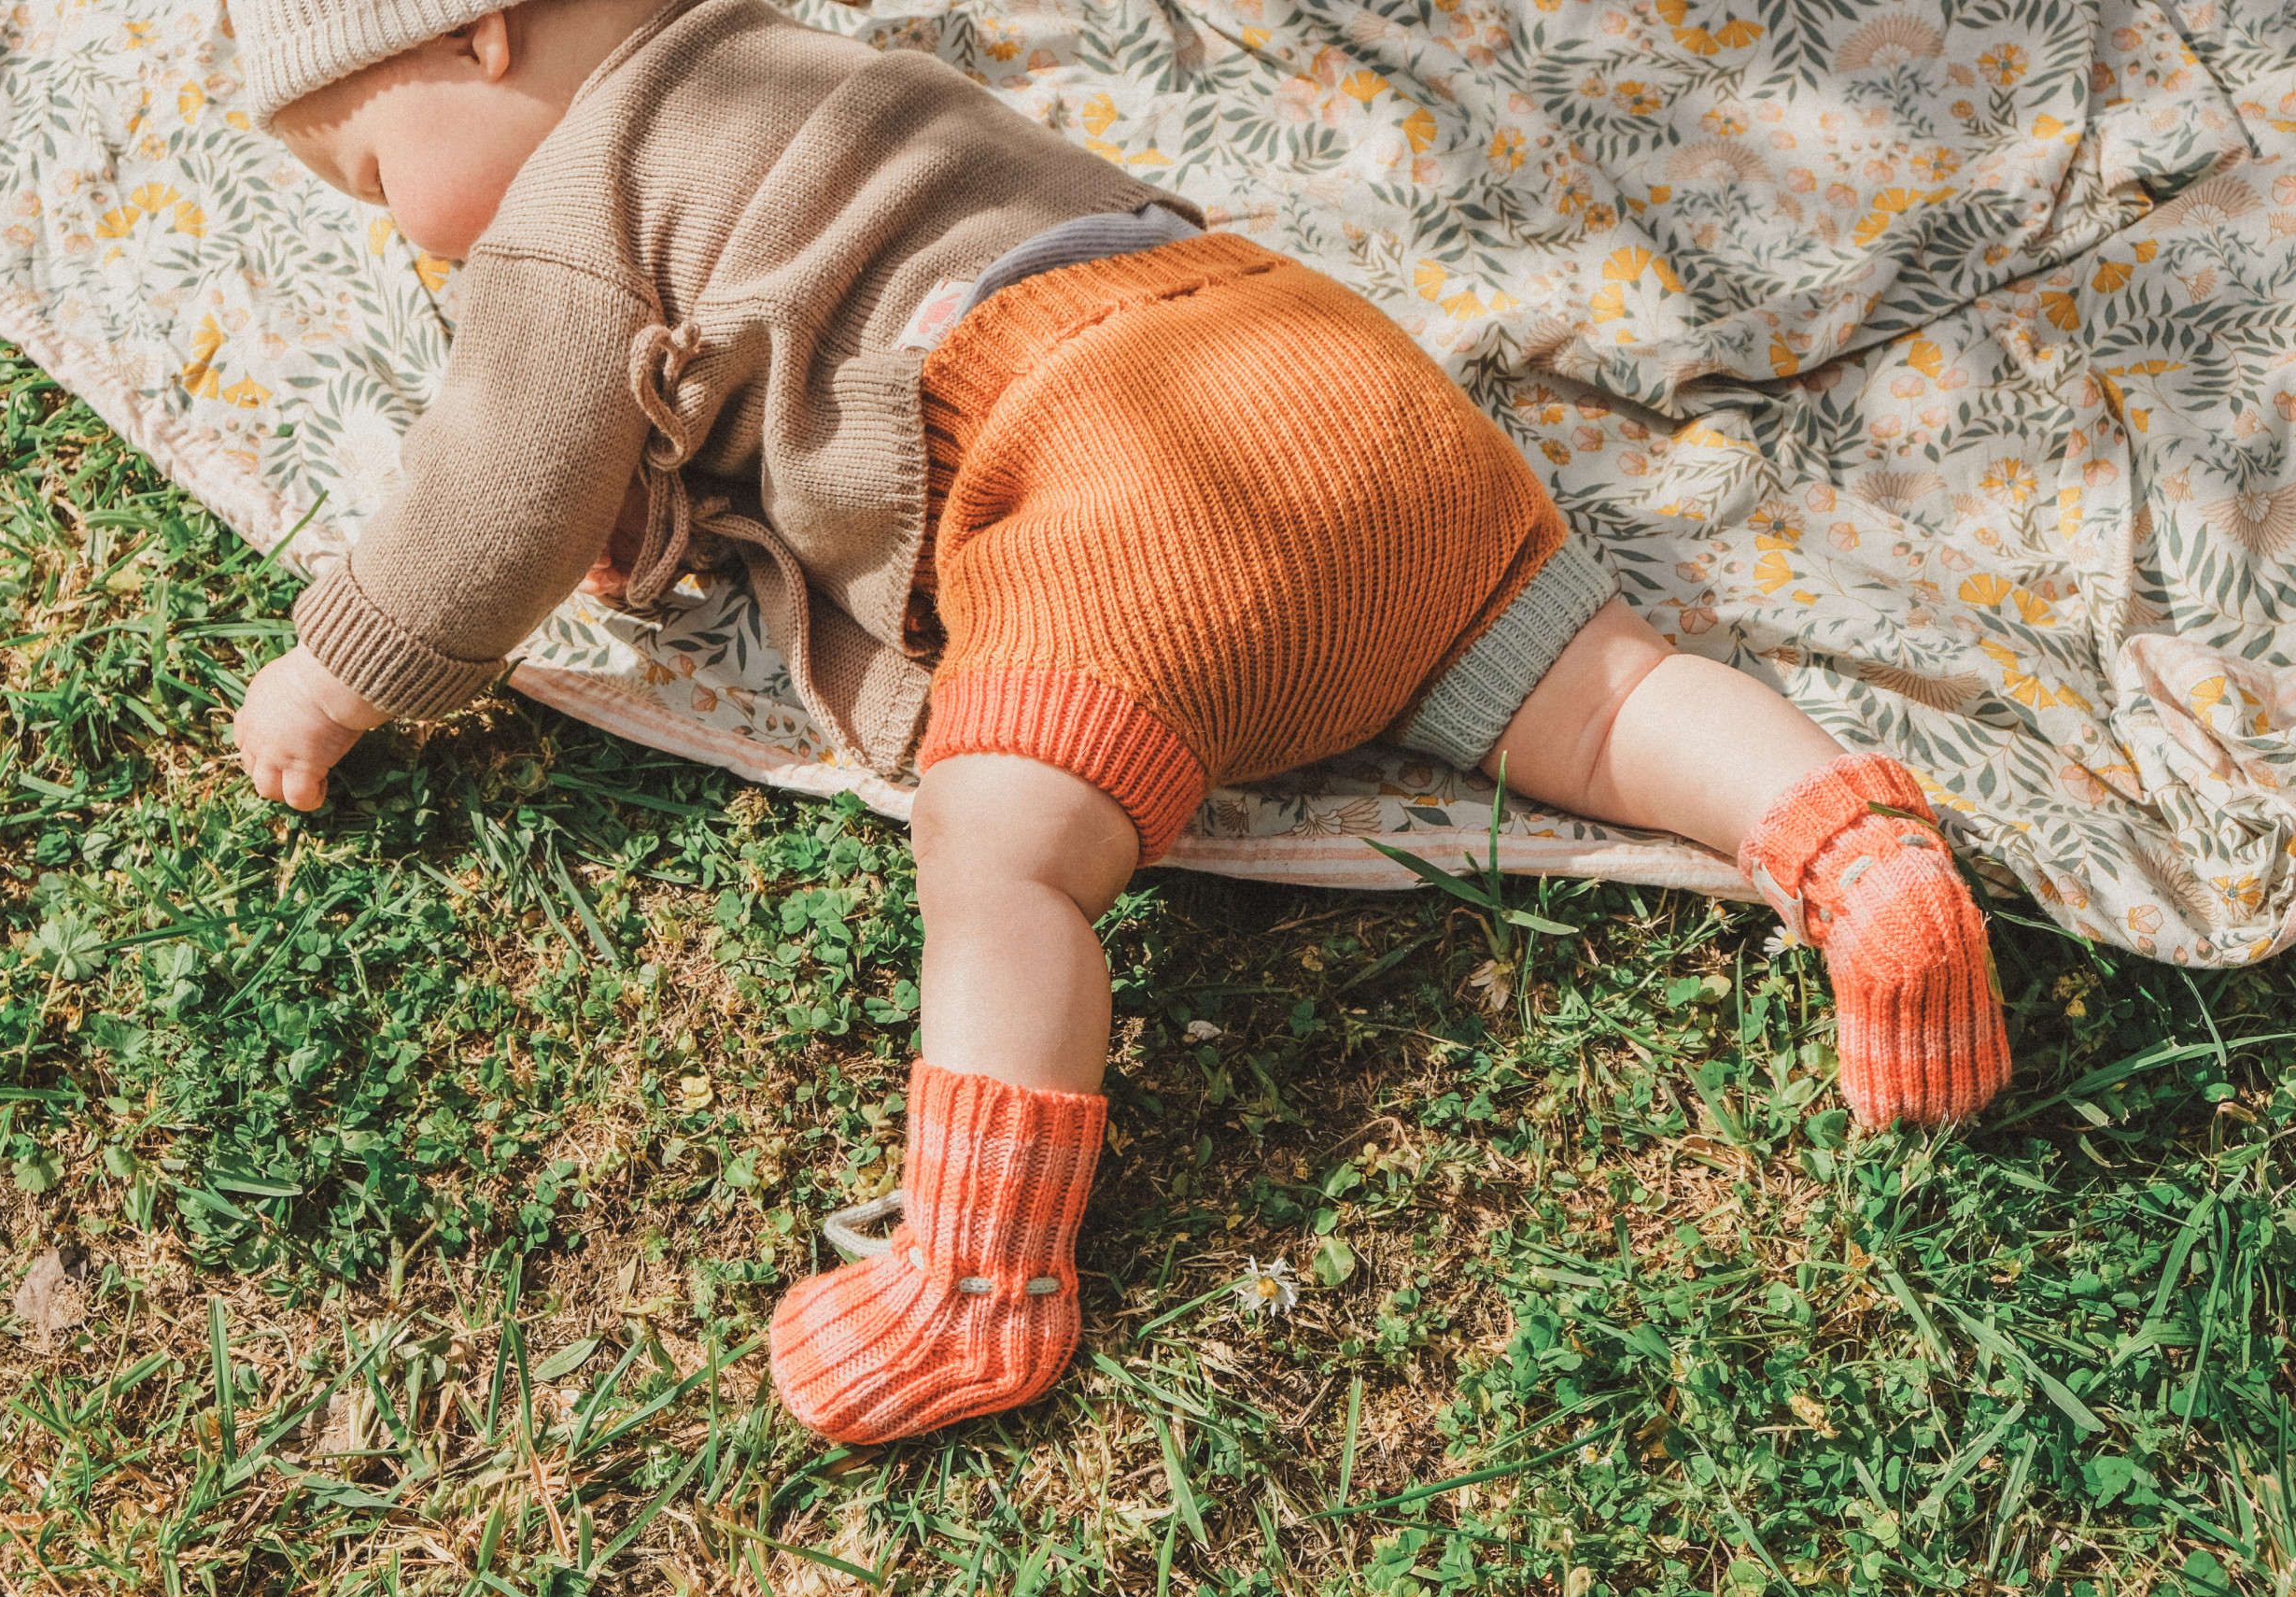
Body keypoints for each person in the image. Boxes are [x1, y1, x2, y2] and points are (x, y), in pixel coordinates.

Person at [226, 0, 2011, 1444]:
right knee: (1597, 687)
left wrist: (346, 661)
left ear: (474, 39)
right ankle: (1852, 849)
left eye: (379, 180)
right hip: (1317, 367)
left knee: (1002, 856)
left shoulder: (571, 204)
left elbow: (498, 489)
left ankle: (979, 1279)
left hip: (1119, 467)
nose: (405, 238)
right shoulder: (807, 65)